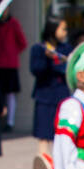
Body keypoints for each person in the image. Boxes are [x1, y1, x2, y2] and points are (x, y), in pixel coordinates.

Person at [29, 14, 70, 154]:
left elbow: (69, 70)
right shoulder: (38, 49)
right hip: (44, 97)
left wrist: (59, 62)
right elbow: (35, 70)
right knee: (43, 135)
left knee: (62, 135)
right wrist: (47, 59)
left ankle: (59, 168)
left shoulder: (66, 49)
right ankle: (44, 168)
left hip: (62, 97)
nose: (65, 33)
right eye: (63, 29)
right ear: (53, 29)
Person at [0, 10, 27, 132]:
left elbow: (22, 43)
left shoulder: (13, 23)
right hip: (0, 64)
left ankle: (10, 122)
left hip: (10, 64)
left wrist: (12, 53)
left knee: (10, 93)